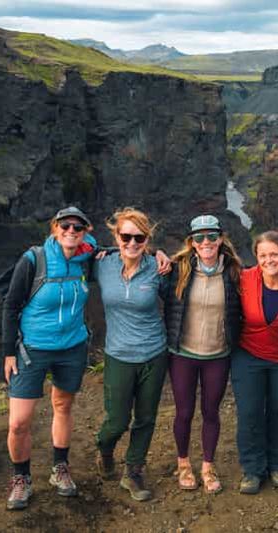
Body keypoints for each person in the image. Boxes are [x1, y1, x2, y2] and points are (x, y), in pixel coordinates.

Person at [2, 206, 97, 510]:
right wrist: (8, 351)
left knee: (63, 405)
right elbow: (10, 306)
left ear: (85, 233)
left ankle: (60, 468)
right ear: (54, 228)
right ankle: (21, 479)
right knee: (18, 422)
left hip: (72, 347)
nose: (71, 231)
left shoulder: (87, 258)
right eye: (65, 226)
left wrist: (158, 255)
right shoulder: (34, 260)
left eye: (77, 228)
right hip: (33, 349)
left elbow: (122, 250)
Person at [93, 208, 170, 502]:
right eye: (126, 236)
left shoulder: (158, 268)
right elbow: (75, 254)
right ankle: (105, 448)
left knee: (146, 417)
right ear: (117, 236)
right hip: (118, 355)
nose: (132, 242)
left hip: (153, 353)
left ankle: (134, 471)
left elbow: (176, 301)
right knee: (117, 419)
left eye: (139, 237)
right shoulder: (102, 264)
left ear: (147, 239)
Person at [165, 215, 243, 494]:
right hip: (183, 353)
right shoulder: (178, 269)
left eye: (211, 236)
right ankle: (183, 463)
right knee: (184, 411)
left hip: (217, 354)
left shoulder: (234, 272)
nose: (206, 242)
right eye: (199, 237)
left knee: (211, 411)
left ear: (221, 238)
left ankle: (208, 466)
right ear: (192, 242)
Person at [232, 231, 278, 495]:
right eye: (263, 255)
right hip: (248, 356)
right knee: (249, 413)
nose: (269, 260)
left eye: (274, 254)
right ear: (255, 257)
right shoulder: (245, 278)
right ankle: (252, 469)